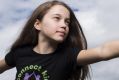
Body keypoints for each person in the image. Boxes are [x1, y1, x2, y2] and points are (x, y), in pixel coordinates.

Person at [0, 0, 119, 80]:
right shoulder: (19, 54)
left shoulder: (69, 55)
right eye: (57, 18)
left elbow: (104, 51)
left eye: (67, 22)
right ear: (38, 24)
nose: (64, 25)